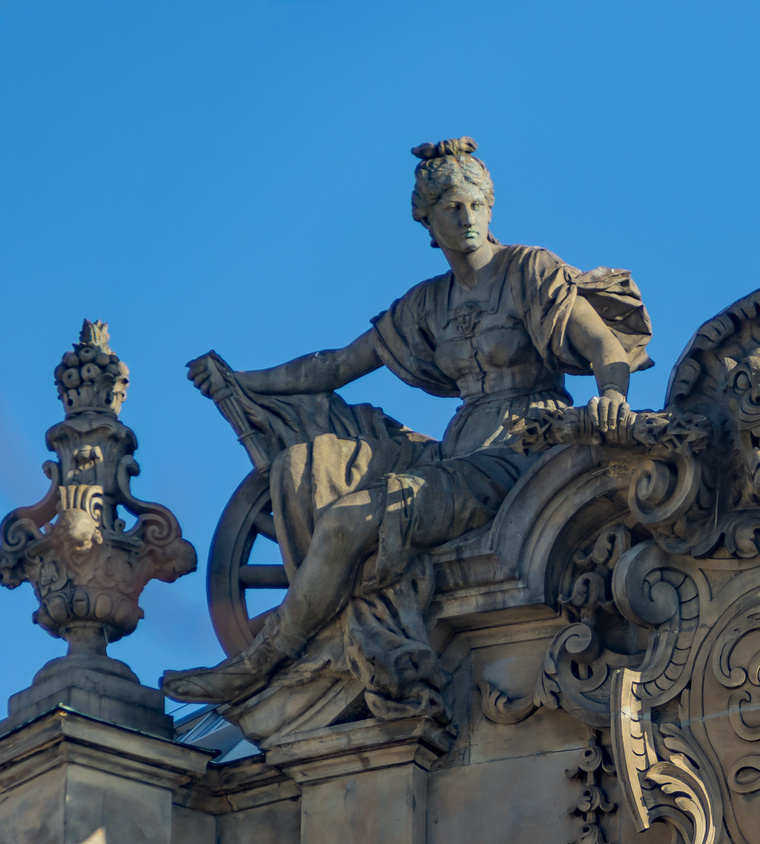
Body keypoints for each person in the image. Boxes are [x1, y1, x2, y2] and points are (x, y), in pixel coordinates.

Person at [163, 137, 653, 707]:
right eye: (450, 208)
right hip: (456, 451)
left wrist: (612, 396)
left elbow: (602, 344)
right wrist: (245, 380)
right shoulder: (426, 303)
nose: (466, 219)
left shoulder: (527, 269)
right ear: (427, 220)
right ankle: (326, 631)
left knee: (351, 519)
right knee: (312, 462)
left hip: (520, 452)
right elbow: (337, 367)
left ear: (490, 206)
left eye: (474, 204)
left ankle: (268, 654)